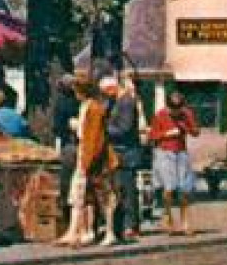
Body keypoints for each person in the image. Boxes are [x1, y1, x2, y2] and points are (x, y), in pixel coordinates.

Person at [58, 78, 116, 247]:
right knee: (83, 196)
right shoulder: (85, 107)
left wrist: (87, 162)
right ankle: (81, 231)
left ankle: (108, 232)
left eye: (76, 91)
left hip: (94, 159)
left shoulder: (94, 108)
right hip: (85, 156)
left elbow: (94, 138)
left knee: (104, 196)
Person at [145, 90, 199, 236]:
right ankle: (168, 218)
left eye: (177, 110)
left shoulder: (186, 114)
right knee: (168, 188)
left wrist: (186, 127)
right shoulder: (160, 115)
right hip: (164, 152)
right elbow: (152, 136)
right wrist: (166, 134)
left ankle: (185, 221)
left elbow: (196, 131)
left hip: (181, 152)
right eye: (172, 110)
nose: (174, 113)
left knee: (184, 189)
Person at [104, 76, 143, 242]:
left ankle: (130, 225)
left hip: (126, 153)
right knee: (121, 189)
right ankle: (123, 225)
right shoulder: (115, 101)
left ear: (112, 88)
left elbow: (125, 128)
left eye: (106, 92)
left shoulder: (126, 102)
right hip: (119, 153)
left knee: (127, 190)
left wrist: (103, 128)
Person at [50, 74, 81, 233]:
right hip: (81, 144)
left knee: (67, 183)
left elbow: (56, 127)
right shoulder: (80, 101)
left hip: (68, 145)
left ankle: (68, 220)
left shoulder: (60, 104)